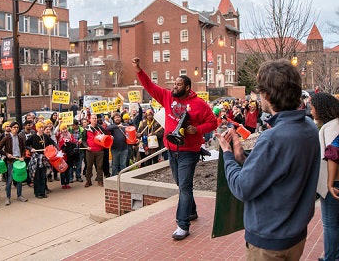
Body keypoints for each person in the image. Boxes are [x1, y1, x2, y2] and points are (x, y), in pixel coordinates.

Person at [216, 59, 320, 259]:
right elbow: (279, 172)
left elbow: (242, 188)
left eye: (259, 91)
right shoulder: (309, 127)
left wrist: (227, 154)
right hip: (296, 236)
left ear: (268, 95)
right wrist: (242, 158)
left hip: (269, 242)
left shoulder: (273, 138)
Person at [132, 57, 217, 240]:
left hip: (189, 152)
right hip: (171, 150)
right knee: (182, 184)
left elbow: (213, 122)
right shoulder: (167, 97)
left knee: (184, 187)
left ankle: (182, 225)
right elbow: (149, 86)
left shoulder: (199, 104)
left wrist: (198, 129)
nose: (174, 87)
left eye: (178, 85)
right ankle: (192, 211)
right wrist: (139, 70)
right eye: (174, 84)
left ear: (187, 87)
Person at [310, 92, 339, 261]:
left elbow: (332, 157)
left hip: (333, 183)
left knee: (330, 223)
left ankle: (330, 257)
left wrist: (329, 184)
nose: (311, 111)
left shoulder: (330, 128)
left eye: (313, 108)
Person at [0, 121, 28, 205]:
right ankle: (8, 197)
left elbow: (23, 149)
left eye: (17, 127)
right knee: (10, 179)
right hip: (11, 161)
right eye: (14, 127)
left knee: (19, 178)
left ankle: (19, 195)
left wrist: (23, 157)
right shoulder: (6, 138)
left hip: (19, 160)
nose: (16, 129)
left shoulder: (20, 138)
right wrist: (7, 154)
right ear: (10, 128)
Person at [26, 122, 55, 198]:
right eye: (40, 128)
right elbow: (26, 144)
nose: (41, 129)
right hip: (36, 158)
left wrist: (54, 148)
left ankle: (43, 192)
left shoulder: (45, 136)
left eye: (42, 128)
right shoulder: (33, 137)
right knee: (37, 176)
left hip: (44, 158)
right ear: (37, 129)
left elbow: (53, 143)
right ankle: (37, 193)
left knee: (43, 176)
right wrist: (31, 149)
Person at [83, 115, 106, 187]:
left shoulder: (100, 127)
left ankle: (100, 181)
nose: (94, 119)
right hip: (90, 150)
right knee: (89, 166)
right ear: (90, 119)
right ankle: (88, 181)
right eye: (93, 118)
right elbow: (83, 140)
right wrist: (87, 147)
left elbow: (105, 136)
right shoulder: (86, 128)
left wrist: (110, 137)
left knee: (100, 166)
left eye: (95, 118)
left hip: (99, 150)